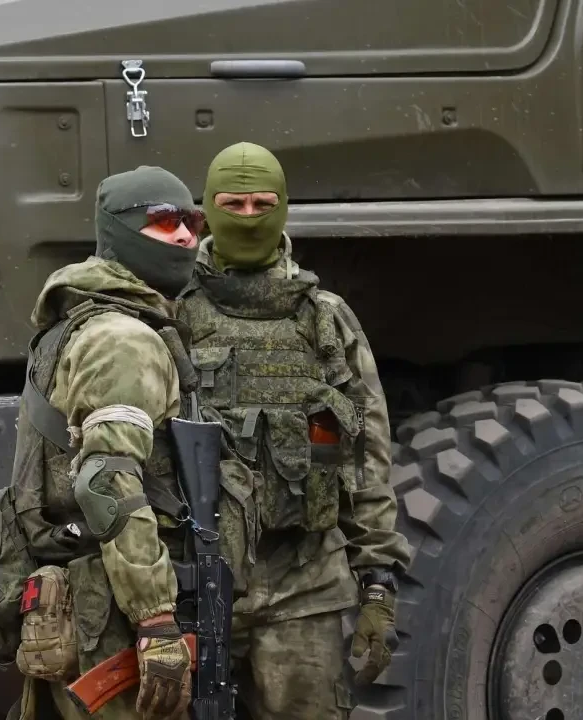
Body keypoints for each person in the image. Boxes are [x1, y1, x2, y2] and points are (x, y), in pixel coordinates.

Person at [176, 142, 414, 718]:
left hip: (304, 588)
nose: (249, 218)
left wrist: (377, 580)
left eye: (263, 204)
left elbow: (365, 456)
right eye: (234, 204)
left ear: (283, 208)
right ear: (206, 212)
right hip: (193, 583)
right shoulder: (171, 313)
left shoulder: (325, 319)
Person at [9, 165, 207, 719]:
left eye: (192, 222)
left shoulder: (79, 320)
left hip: (84, 594)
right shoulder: (122, 338)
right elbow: (107, 481)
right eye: (164, 222)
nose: (186, 238)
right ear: (120, 231)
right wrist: (156, 619)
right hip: (114, 612)